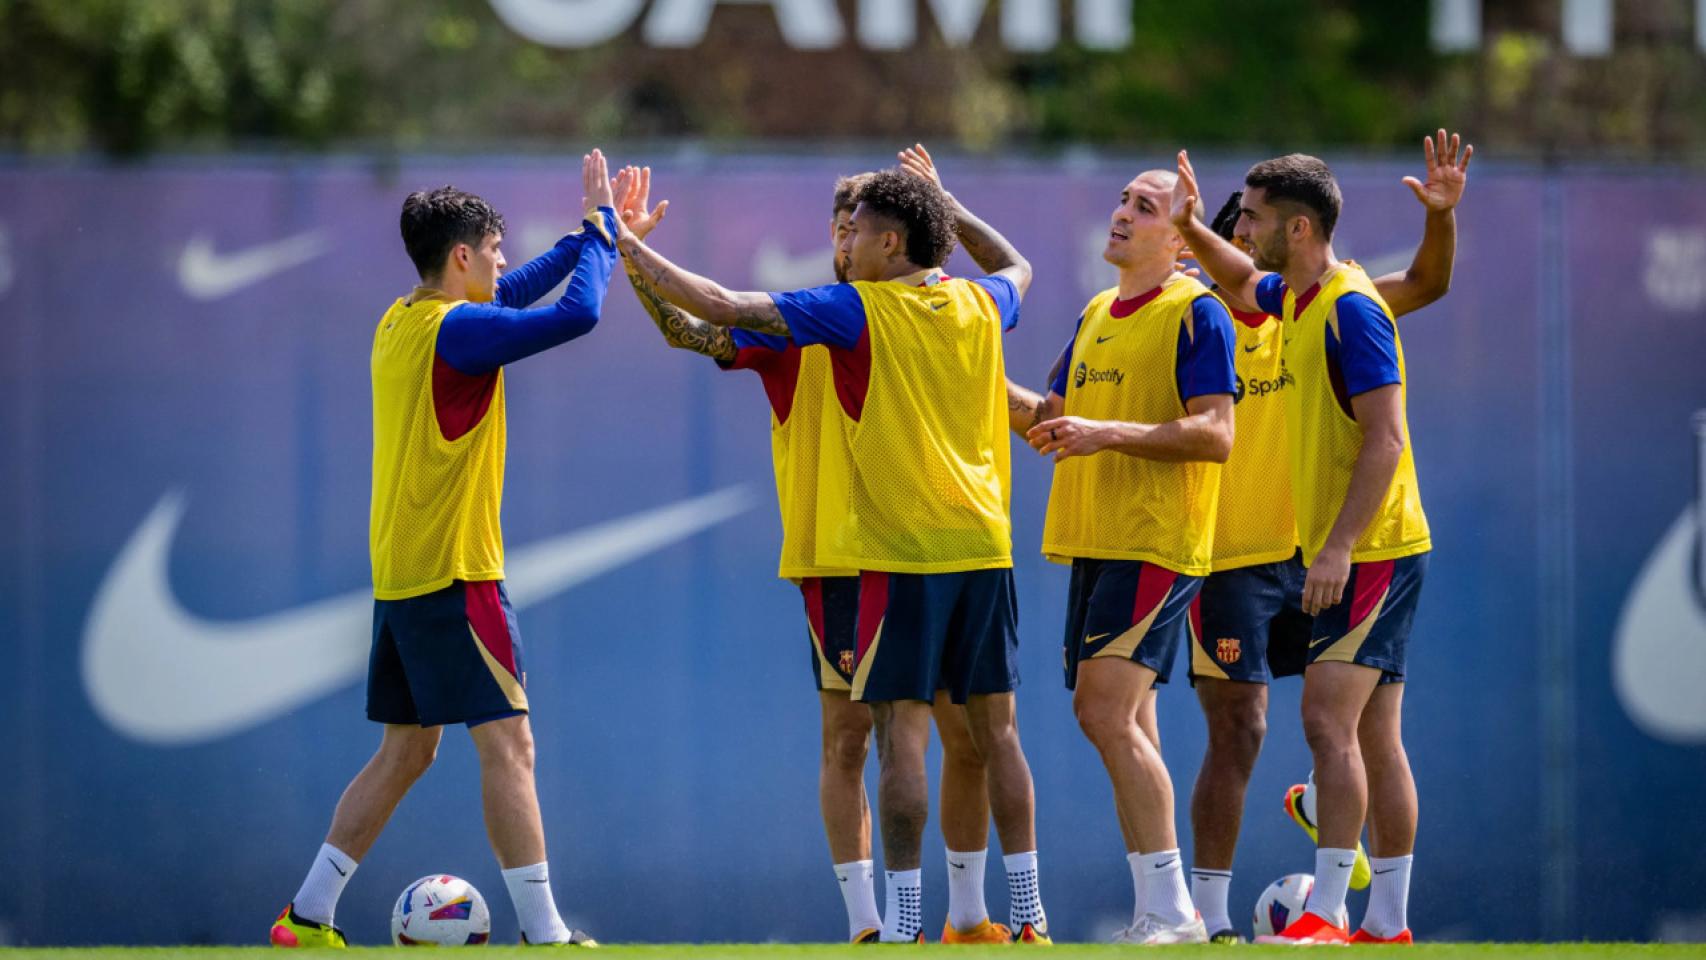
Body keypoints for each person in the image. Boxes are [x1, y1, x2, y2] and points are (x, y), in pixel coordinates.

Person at [614, 165, 1051, 945]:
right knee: (859, 738)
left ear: (892, 238)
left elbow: (710, 304)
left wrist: (620, 246)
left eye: (859, 222)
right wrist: (641, 269)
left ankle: (963, 917)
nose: (846, 234)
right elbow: (693, 327)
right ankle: (873, 923)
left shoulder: (865, 312)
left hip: (900, 552)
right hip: (850, 557)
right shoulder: (829, 318)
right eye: (840, 221)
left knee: (942, 737)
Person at [269, 151, 619, 949]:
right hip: (458, 573)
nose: (502, 263)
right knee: (510, 743)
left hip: (401, 576)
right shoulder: (460, 332)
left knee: (406, 752)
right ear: (461, 256)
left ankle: (307, 914)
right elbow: (576, 316)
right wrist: (601, 243)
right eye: (493, 250)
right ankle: (547, 933)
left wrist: (592, 233)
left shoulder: (403, 319)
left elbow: (518, 293)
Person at [1173, 135, 1469, 945]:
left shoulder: (1351, 305)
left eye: (1258, 216)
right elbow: (1237, 275)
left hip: (1372, 550)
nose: (1248, 227)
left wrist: (1336, 548)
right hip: (1358, 548)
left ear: (1298, 229)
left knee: (1327, 727)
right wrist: (1193, 224)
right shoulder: (1294, 298)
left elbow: (1386, 441)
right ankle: (1386, 922)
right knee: (1372, 735)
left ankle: (1327, 913)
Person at [1006, 169, 1237, 945]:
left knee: (1101, 711)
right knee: (1129, 720)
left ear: (1181, 238)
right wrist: (958, 366)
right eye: (1124, 201)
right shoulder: (1098, 310)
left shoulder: (1197, 311)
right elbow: (1054, 420)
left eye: (1147, 207)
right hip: (1096, 540)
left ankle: (1174, 909)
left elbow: (1216, 433)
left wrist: (1108, 433)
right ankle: (1159, 914)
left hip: (1156, 540)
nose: (1122, 214)